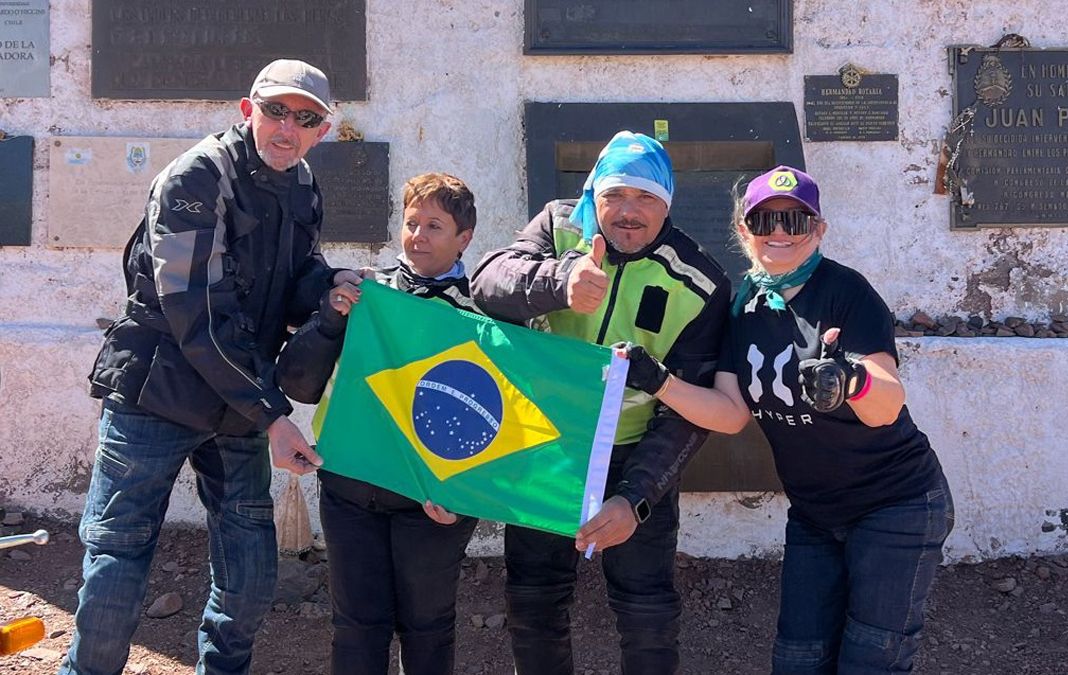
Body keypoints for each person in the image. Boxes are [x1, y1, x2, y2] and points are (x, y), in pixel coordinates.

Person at [63, 59, 361, 675]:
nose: (287, 127)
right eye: (275, 110)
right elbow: (197, 315)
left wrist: (333, 285)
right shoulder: (196, 177)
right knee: (120, 556)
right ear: (247, 110)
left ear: (322, 130)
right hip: (158, 389)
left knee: (251, 566)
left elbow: (293, 273)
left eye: (304, 118)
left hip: (236, 398)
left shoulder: (301, 183)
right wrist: (275, 416)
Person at [620, 165, 954, 675]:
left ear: (818, 230)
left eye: (795, 222)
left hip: (896, 503)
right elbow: (730, 415)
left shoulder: (847, 292)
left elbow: (887, 404)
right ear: (743, 231)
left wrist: (851, 380)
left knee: (871, 657)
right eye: (764, 220)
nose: (779, 232)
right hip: (816, 513)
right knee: (799, 658)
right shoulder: (741, 309)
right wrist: (660, 381)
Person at [471, 130, 730, 674]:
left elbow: (684, 415)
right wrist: (557, 279)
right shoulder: (560, 227)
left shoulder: (702, 282)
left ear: (667, 206)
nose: (629, 213)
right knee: (535, 601)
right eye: (615, 196)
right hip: (546, 445)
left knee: (647, 610)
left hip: (634, 454)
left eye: (646, 199)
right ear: (594, 195)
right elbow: (487, 283)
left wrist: (635, 498)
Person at [275, 173, 481, 675]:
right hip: (350, 490)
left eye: (435, 225)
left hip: (428, 502)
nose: (419, 236)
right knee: (356, 624)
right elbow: (297, 384)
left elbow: (493, 428)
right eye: (412, 223)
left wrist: (464, 502)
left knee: (427, 624)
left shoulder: (481, 317)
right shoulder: (363, 295)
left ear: (465, 239)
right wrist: (329, 320)